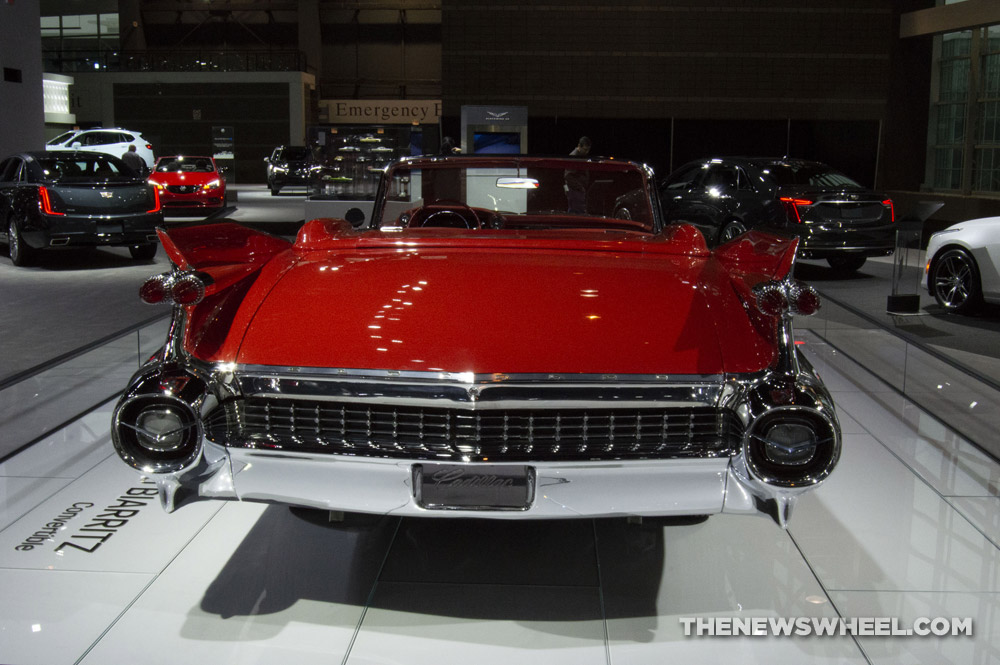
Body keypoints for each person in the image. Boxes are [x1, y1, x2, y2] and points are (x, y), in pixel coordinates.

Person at [565, 136, 591, 213]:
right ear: (579, 146)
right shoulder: (574, 157)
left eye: (588, 150)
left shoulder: (581, 156)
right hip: (575, 191)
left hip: (579, 190)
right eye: (585, 150)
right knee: (575, 212)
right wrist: (580, 188)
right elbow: (568, 176)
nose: (586, 152)